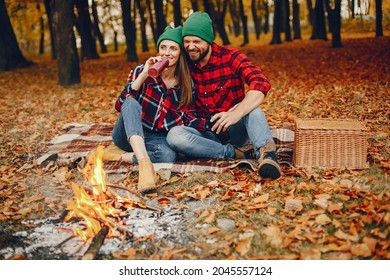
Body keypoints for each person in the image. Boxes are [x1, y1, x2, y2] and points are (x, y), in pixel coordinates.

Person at [166, 12, 281, 179]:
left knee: (253, 110)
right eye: (187, 41)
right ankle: (233, 153)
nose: (191, 46)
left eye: (196, 41)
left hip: (235, 130)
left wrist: (236, 113)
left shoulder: (230, 57)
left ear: (208, 40)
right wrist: (142, 76)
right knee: (174, 135)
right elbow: (164, 72)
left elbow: (260, 82)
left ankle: (267, 155)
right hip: (207, 134)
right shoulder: (185, 64)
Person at [112, 26, 200, 193]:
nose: (167, 53)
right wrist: (144, 75)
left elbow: (188, 117)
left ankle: (119, 156)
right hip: (127, 133)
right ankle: (145, 165)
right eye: (163, 47)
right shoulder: (141, 71)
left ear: (181, 53)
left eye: (173, 48)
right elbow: (120, 105)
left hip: (155, 137)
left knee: (167, 156)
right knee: (131, 103)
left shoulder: (186, 83)